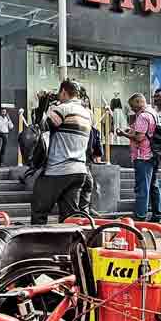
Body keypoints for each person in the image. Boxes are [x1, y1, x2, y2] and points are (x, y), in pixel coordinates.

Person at [31, 80, 92, 226]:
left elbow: (41, 127)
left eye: (59, 93)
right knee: (69, 218)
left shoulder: (63, 109)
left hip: (58, 169)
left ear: (64, 92)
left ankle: (37, 240)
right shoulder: (86, 113)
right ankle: (68, 241)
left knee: (39, 211)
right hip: (79, 171)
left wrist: (42, 103)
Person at [118, 93, 161, 222]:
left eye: (133, 106)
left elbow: (139, 137)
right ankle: (157, 215)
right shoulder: (153, 113)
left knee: (142, 187)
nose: (132, 109)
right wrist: (131, 131)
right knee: (153, 186)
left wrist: (124, 134)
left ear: (139, 102)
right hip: (153, 154)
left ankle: (140, 216)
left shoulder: (142, 116)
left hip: (143, 156)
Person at [78, 100, 104, 215]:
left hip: (85, 162)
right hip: (77, 161)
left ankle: (85, 209)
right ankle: (83, 210)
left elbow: (98, 151)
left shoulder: (94, 131)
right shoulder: (87, 130)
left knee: (88, 184)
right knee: (86, 184)